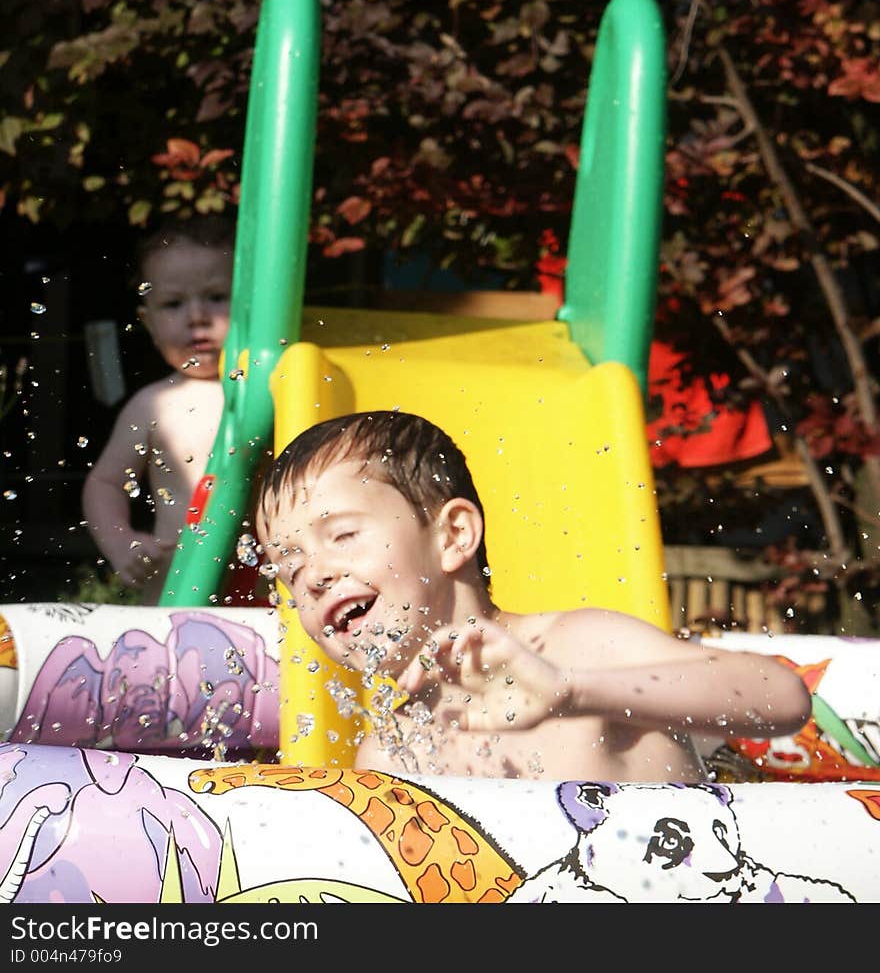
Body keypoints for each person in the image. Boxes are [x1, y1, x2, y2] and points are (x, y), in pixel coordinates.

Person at [255, 409, 812, 782]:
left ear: (453, 537)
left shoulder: (578, 648)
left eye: (343, 536)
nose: (315, 575)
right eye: (288, 567)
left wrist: (573, 693)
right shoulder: (392, 749)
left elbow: (780, 695)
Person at [82, 214, 234, 605]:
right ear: (148, 323)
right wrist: (121, 542)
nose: (197, 317)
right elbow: (105, 483)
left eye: (217, 297)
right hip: (177, 595)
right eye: (173, 304)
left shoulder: (276, 389)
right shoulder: (153, 404)